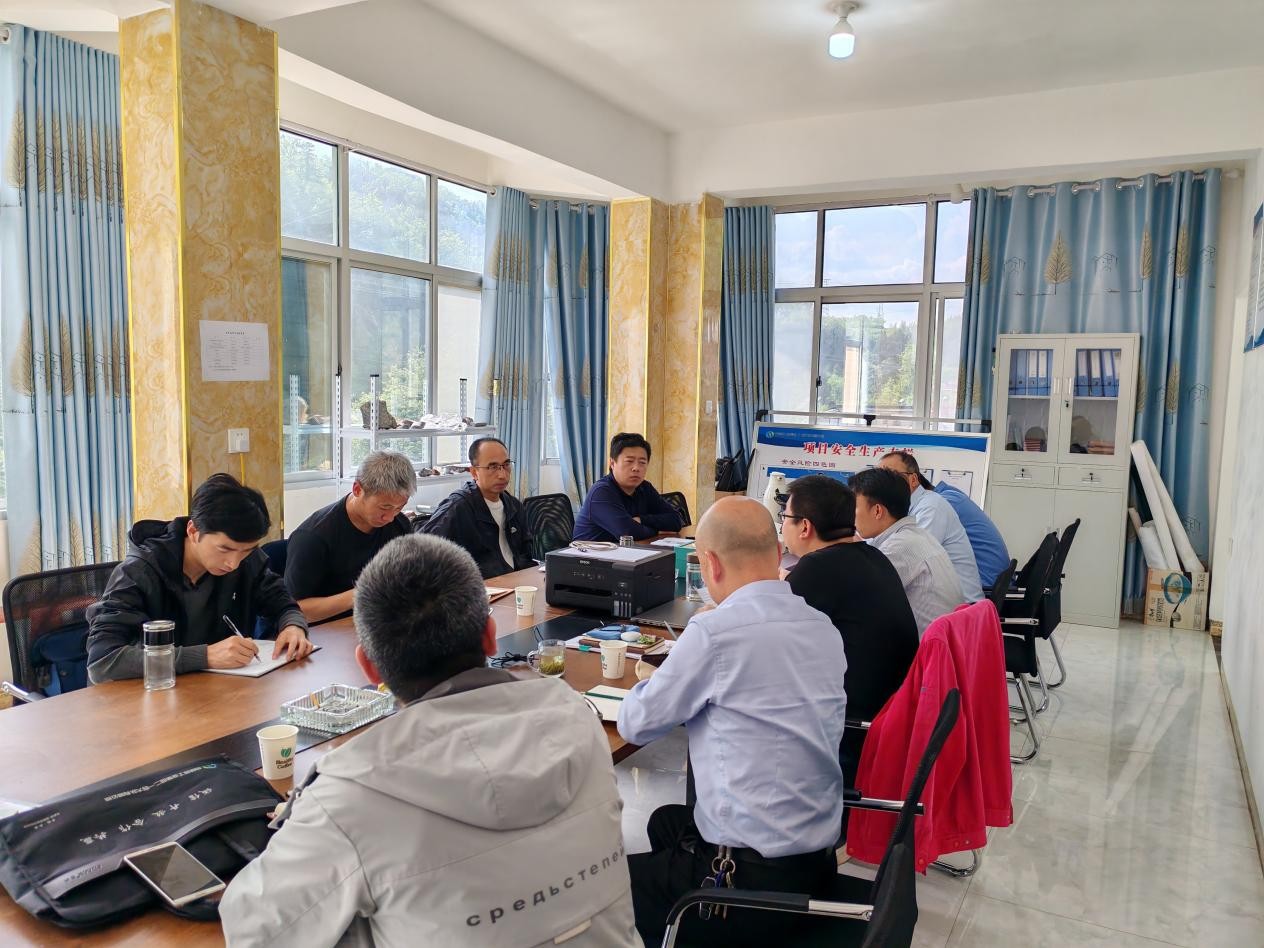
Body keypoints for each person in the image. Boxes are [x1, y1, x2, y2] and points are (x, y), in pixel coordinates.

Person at [220, 535, 639, 947]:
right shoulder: (579, 717)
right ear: (490, 635)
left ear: (369, 667)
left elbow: (252, 930)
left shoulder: (350, 794)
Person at [618, 497, 846, 947]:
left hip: (742, 882)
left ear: (711, 564)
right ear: (777, 552)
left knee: (604, 889)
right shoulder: (822, 624)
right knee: (665, 821)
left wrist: (680, 655)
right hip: (816, 864)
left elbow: (635, 724)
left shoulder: (714, 633)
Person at [86, 475, 311, 683]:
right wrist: (205, 656)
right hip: (150, 694)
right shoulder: (138, 572)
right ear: (193, 531)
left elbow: (282, 602)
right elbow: (102, 660)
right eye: (224, 549)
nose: (233, 563)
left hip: (217, 690)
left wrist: (293, 626)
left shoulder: (246, 560)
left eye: (246, 551)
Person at [780, 475, 919, 790]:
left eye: (785, 517)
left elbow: (767, 641)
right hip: (889, 716)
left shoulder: (817, 568)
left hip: (852, 732)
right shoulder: (872, 556)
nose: (782, 525)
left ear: (805, 527)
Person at [285, 451, 416, 622]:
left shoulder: (399, 525)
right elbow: (294, 610)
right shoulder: (314, 537)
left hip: (378, 622)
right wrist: (362, 593)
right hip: (325, 629)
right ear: (357, 489)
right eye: (384, 507)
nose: (390, 517)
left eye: (399, 508)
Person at [851, 467, 964, 637]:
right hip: (943, 642)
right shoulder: (916, 535)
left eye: (854, 507)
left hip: (924, 649)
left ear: (877, 511)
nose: (850, 516)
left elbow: (856, 599)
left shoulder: (898, 547)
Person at [420, 437, 534, 579]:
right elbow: (421, 554)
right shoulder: (457, 508)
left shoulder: (514, 506)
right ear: (474, 472)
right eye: (492, 467)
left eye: (506, 465)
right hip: (479, 587)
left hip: (515, 582)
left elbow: (525, 555)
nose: (502, 475)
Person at [879, 451, 983, 602]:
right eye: (879, 477)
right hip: (936, 600)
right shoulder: (901, 509)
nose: (882, 484)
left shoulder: (931, 506)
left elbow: (910, 558)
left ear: (913, 479)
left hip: (961, 607)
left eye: (891, 476)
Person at [573, 432, 682, 542]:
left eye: (642, 462)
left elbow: (676, 520)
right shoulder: (601, 491)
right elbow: (628, 533)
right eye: (629, 461)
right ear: (612, 463)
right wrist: (657, 530)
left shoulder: (644, 487)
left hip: (628, 550)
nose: (636, 468)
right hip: (590, 552)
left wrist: (642, 520)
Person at [934, 481, 1012, 590]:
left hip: (985, 584)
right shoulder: (951, 495)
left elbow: (921, 550)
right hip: (994, 581)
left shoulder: (944, 502)